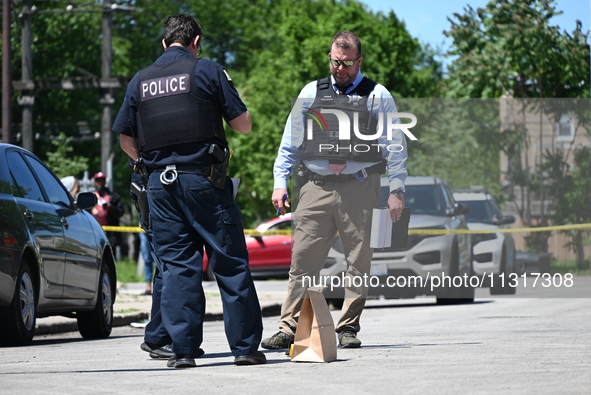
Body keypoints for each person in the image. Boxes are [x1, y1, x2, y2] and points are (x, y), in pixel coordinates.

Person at [113, 14, 265, 368]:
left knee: (179, 267)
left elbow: (124, 140)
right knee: (229, 262)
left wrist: (150, 164)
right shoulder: (207, 70)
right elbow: (243, 126)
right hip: (203, 181)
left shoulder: (140, 81)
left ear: (165, 43)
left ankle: (182, 352)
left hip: (159, 188)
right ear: (196, 41)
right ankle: (243, 348)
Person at [263, 31, 408, 350]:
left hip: (360, 187)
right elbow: (290, 142)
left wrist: (396, 189)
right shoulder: (311, 91)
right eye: (334, 62)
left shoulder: (377, 95)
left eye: (346, 63)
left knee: (359, 260)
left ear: (359, 61)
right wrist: (279, 181)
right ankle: (290, 327)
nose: (339, 69)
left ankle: (347, 327)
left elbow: (395, 147)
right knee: (302, 260)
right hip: (314, 187)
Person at [91, 172, 124, 251]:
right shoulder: (90, 196)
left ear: (105, 182)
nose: (100, 183)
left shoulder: (113, 197)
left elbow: (121, 212)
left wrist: (111, 208)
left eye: (102, 181)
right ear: (95, 182)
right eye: (98, 181)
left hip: (110, 233)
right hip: (94, 231)